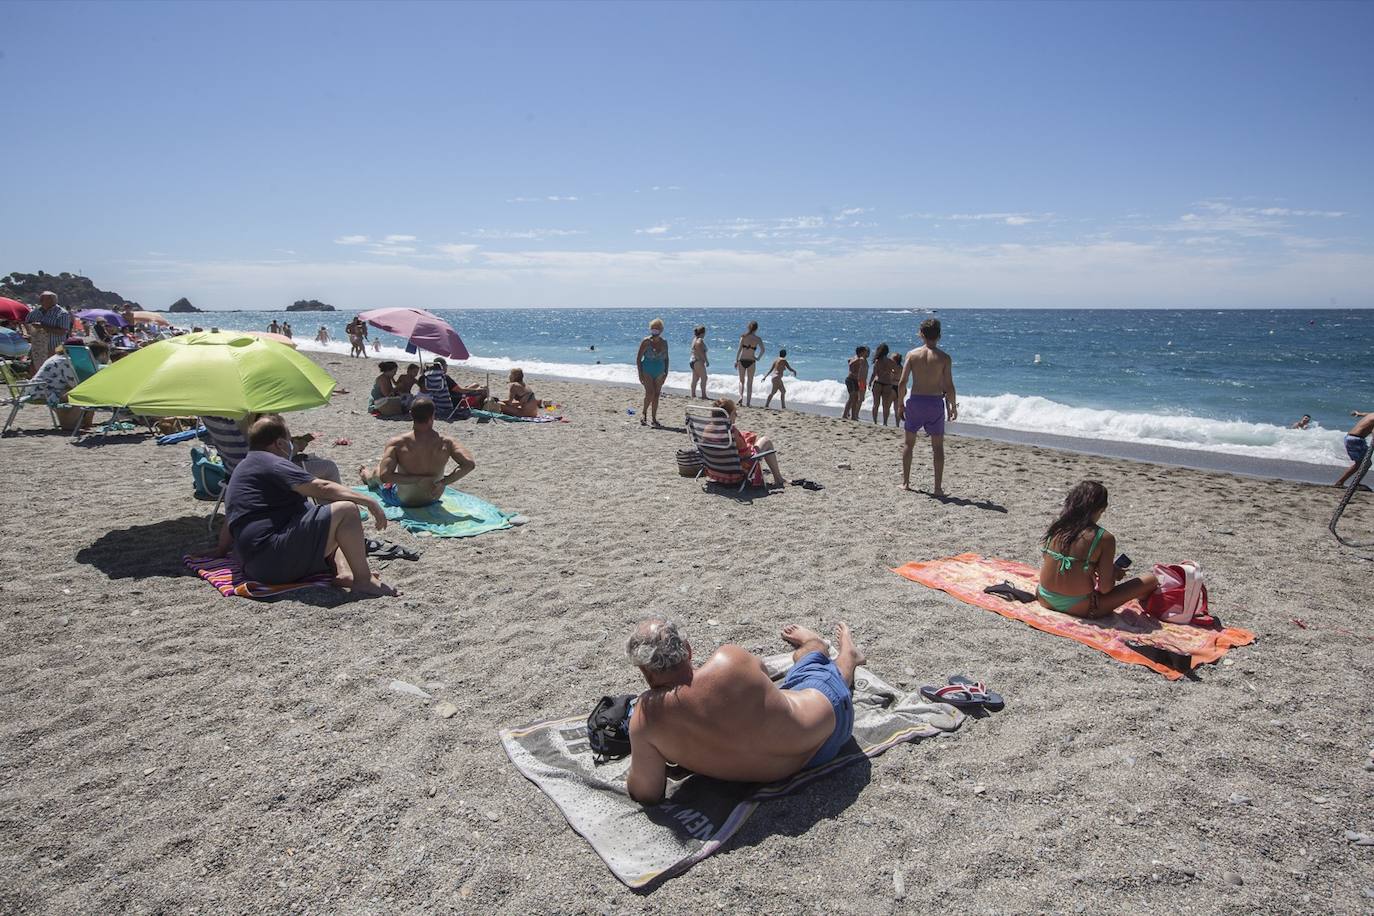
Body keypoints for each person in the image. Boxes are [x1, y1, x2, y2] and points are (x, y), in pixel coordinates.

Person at [624, 616, 863, 804]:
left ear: (645, 672)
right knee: (807, 666)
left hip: (790, 764)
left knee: (808, 662)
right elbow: (765, 680)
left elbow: (646, 794)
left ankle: (837, 651)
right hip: (829, 729)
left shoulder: (646, 719)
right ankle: (827, 650)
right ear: (688, 650)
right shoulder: (728, 660)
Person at [214, 414, 397, 596]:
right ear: (280, 444)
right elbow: (321, 486)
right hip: (273, 560)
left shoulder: (244, 467)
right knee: (346, 511)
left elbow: (232, 516)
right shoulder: (272, 463)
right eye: (289, 440)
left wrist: (220, 551)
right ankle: (363, 581)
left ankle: (345, 573)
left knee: (334, 523)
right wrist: (369, 501)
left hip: (252, 564)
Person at [1037, 480, 1159, 618]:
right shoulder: (1104, 538)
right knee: (1151, 579)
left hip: (1044, 597)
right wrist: (1113, 574)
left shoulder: (1057, 527)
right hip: (1079, 606)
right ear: (1102, 509)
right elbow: (1105, 588)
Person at [358, 396, 476, 507]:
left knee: (378, 470)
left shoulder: (397, 443)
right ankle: (368, 475)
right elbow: (469, 464)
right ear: (433, 416)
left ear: (411, 415)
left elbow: (385, 476)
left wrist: (418, 480)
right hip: (433, 498)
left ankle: (366, 475)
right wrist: (443, 483)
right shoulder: (448, 442)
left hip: (404, 500)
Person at [898, 319, 957, 495]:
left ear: (921, 334)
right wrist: (953, 406)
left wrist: (900, 403)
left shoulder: (912, 355)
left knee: (909, 443)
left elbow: (902, 383)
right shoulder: (944, 358)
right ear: (939, 336)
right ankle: (937, 488)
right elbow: (949, 386)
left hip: (916, 401)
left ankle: (906, 483)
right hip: (935, 403)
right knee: (938, 447)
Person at [710, 397, 786, 488]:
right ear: (727, 415)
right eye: (734, 413)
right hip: (735, 474)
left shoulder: (707, 429)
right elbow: (747, 455)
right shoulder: (732, 432)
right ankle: (778, 478)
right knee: (766, 441)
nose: (736, 415)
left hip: (716, 471)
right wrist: (749, 444)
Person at [24, 292, 73, 374]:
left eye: (43, 299)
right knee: (34, 369)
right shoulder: (36, 311)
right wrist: (29, 332)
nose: (40, 300)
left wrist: (43, 327)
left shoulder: (61, 313)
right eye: (41, 298)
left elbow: (63, 331)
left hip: (53, 348)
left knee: (51, 371)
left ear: (52, 301)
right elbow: (26, 322)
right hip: (37, 347)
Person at [636, 318, 670, 427]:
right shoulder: (646, 341)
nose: (655, 331)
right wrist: (640, 373)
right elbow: (638, 358)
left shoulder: (664, 343)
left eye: (657, 329)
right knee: (649, 393)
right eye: (653, 329)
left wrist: (666, 372)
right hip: (647, 370)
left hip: (660, 371)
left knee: (656, 395)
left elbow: (666, 358)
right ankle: (644, 413)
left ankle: (654, 418)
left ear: (661, 330)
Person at [1335, 410, 1374, 488]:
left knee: (1364, 463)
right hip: (1356, 440)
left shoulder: (1372, 414)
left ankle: (1354, 483)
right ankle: (1341, 482)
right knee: (1363, 463)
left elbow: (1366, 414)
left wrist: (1358, 414)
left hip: (1350, 438)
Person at [869, 343, 901, 426]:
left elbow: (874, 373)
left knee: (876, 404)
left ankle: (875, 422)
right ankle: (885, 422)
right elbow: (897, 370)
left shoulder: (877, 361)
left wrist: (869, 382)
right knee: (885, 405)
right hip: (887, 384)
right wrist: (890, 372)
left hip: (878, 382)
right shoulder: (890, 362)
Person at [735, 320, 764, 407]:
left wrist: (736, 360)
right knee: (750, 382)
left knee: (741, 381)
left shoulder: (743, 337)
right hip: (751, 361)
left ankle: (740, 397)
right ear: (756, 329)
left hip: (742, 360)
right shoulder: (758, 339)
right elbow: (763, 350)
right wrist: (758, 358)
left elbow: (739, 350)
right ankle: (748, 403)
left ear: (748, 327)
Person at [841, 346, 869, 421]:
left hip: (858, 381)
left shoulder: (863, 359)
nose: (867, 353)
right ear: (862, 352)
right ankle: (844, 414)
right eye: (866, 351)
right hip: (851, 380)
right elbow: (850, 363)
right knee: (852, 397)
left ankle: (854, 416)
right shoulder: (857, 358)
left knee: (856, 398)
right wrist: (858, 360)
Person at [689, 325, 709, 399]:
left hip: (693, 361)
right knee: (704, 378)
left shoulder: (694, 339)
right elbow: (701, 351)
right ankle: (703, 395)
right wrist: (706, 361)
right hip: (698, 361)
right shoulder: (700, 340)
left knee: (695, 378)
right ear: (702, 333)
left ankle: (693, 394)